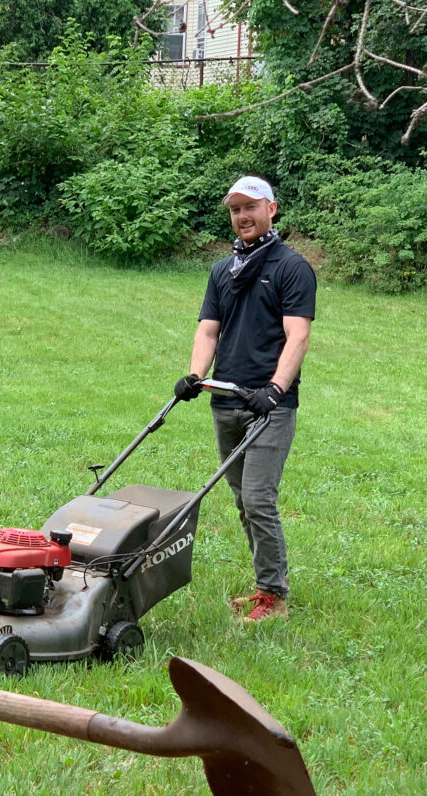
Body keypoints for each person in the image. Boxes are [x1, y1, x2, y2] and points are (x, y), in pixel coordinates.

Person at [174, 175, 316, 623]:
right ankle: (264, 586)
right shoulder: (223, 270)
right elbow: (208, 329)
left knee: (257, 499)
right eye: (235, 210)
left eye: (250, 207)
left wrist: (275, 389)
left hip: (269, 405)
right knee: (242, 499)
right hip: (227, 400)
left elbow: (298, 335)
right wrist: (196, 375)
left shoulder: (292, 267)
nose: (242, 216)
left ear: (271, 209)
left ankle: (273, 596)